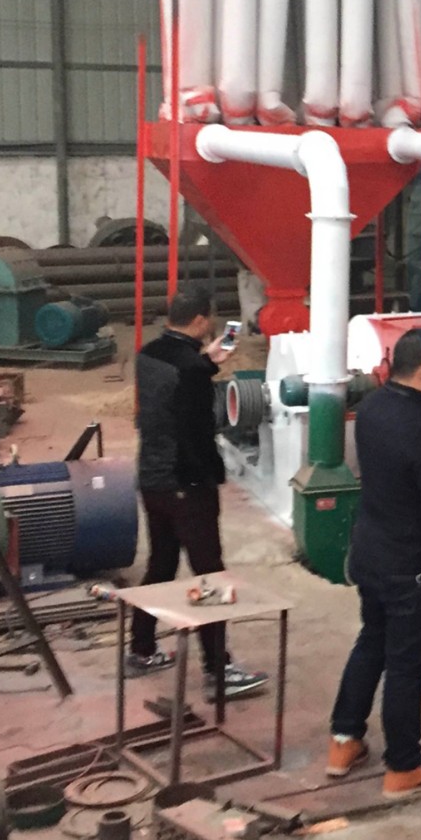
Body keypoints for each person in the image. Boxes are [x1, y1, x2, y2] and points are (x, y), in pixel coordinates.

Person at [327, 330, 421, 796]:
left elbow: (408, 445)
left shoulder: (372, 408)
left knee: (371, 642)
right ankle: (403, 765)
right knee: (406, 668)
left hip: (370, 553)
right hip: (411, 567)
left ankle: (344, 740)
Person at [130, 286, 268, 700]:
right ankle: (218, 668)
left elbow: (175, 389)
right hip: (186, 484)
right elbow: (195, 428)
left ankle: (141, 649)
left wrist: (206, 362)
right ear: (200, 321)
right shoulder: (190, 369)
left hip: (152, 479)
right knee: (211, 575)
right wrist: (210, 477)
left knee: (161, 565)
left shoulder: (149, 354)